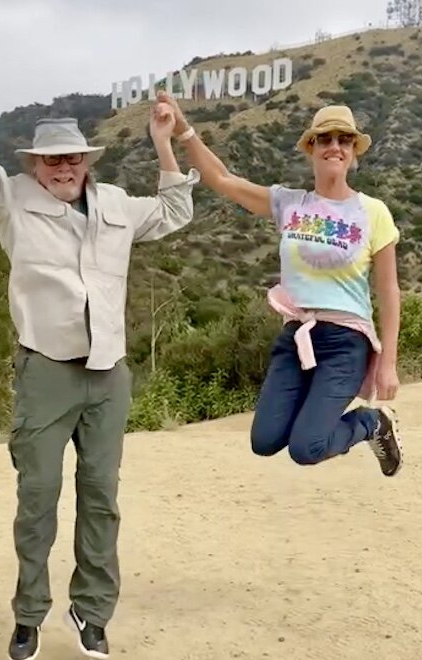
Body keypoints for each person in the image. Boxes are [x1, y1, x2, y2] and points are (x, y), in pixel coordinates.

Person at [0, 6, 199, 660]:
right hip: (45, 372)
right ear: (35, 162)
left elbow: (174, 210)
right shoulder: (11, 198)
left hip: (110, 375)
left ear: (86, 159)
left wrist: (165, 141)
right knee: (38, 499)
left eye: (72, 156)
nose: (63, 166)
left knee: (102, 497)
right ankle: (28, 615)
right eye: (51, 158)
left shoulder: (113, 206)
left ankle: (92, 610)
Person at [158, 90, 403, 477]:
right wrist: (184, 129)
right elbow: (222, 179)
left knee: (307, 448)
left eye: (344, 140)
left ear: (354, 151)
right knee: (265, 440)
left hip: (345, 343)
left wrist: (387, 362)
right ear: (311, 148)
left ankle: (372, 424)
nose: (334, 146)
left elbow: (389, 292)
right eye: (324, 139)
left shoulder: (373, 213)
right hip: (296, 337)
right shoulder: (290, 204)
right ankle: (323, 416)